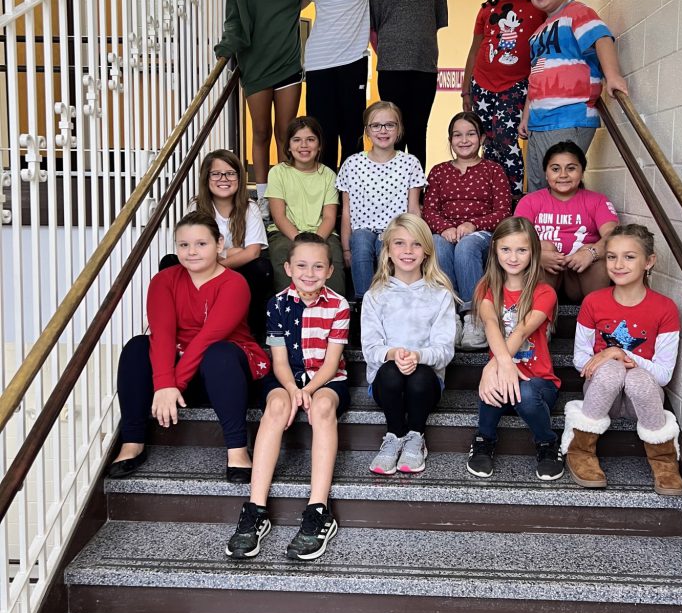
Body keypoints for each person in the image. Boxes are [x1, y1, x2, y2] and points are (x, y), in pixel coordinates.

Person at [108, 212, 270, 482]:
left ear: (219, 245)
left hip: (225, 371)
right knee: (137, 346)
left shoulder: (234, 283)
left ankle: (238, 450)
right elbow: (162, 335)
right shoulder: (164, 281)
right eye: (183, 245)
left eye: (201, 244)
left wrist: (173, 386)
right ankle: (132, 442)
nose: (191, 251)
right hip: (179, 365)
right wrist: (163, 385)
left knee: (219, 353)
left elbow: (207, 338)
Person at [226, 233, 350, 562]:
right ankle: (256, 509)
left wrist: (308, 391)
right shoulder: (277, 304)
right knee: (277, 404)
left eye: (318, 267)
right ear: (288, 268)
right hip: (287, 379)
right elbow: (279, 361)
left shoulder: (338, 306)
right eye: (302, 266)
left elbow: (331, 363)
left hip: (325, 380)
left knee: (322, 408)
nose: (309, 273)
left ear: (329, 270)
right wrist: (294, 391)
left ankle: (318, 509)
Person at [563, 224, 682, 496]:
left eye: (629, 257)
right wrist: (610, 359)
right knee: (611, 371)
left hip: (641, 400)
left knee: (639, 378)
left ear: (649, 261)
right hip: (601, 394)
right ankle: (581, 448)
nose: (618, 264)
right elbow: (581, 360)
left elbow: (664, 375)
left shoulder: (665, 308)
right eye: (611, 256)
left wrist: (620, 353)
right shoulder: (594, 302)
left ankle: (663, 459)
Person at [214, 0, 311, 217]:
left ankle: (285, 194)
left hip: (288, 66)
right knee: (260, 132)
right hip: (255, 67)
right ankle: (265, 198)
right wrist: (225, 48)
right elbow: (234, 19)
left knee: (286, 134)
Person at [466, 216, 562, 482]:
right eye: (506, 249)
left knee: (525, 391)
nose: (513, 257)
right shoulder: (486, 287)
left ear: (533, 252)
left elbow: (521, 331)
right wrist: (499, 367)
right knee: (493, 384)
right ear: (495, 250)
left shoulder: (545, 293)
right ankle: (484, 440)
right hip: (501, 375)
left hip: (538, 383)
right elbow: (491, 324)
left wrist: (495, 364)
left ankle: (547, 444)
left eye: (522, 250)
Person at [520, 0, 629, 192]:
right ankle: (540, 230)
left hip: (569, 116)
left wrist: (613, 76)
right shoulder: (538, 31)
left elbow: (601, 38)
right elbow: (536, 76)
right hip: (538, 123)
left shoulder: (578, 13)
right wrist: (526, 115)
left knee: (560, 185)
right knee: (537, 189)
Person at [361, 214, 455, 476]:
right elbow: (370, 348)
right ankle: (394, 435)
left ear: (426, 251)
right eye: (400, 244)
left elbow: (444, 350)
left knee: (419, 374)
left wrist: (416, 355)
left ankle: (415, 437)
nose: (408, 251)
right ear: (388, 250)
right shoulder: (375, 295)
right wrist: (393, 353)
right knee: (391, 371)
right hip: (385, 385)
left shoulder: (440, 295)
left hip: (424, 386)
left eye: (416, 244)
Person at [162, 150, 273, 341]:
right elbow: (192, 248)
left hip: (232, 274)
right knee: (169, 263)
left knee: (261, 268)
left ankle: (252, 331)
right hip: (203, 269)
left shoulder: (249, 207)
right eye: (216, 173)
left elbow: (253, 253)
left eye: (230, 173)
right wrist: (233, 252)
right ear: (207, 178)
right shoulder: (197, 207)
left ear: (239, 177)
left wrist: (219, 261)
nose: (224, 179)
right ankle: (181, 328)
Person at [422, 111, 510, 350]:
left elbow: (503, 211)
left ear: (481, 138)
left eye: (470, 134)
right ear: (450, 139)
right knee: (437, 244)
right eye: (457, 135)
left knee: (467, 245)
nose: (464, 140)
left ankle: (474, 316)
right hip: (446, 232)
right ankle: (449, 316)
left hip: (482, 234)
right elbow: (429, 211)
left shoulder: (493, 170)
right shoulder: (439, 171)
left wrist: (474, 225)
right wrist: (444, 227)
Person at [461, 0, 545, 194]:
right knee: (486, 142)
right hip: (482, 86)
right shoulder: (487, 10)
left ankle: (514, 198)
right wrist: (466, 90)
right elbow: (474, 51)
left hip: (515, 85)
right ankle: (492, 197)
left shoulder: (536, 6)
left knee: (506, 139)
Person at [369, 0, 448, 170]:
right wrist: (387, 53)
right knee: (392, 133)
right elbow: (373, 25)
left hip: (424, 67)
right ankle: (391, 191)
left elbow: (434, 23)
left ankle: (416, 198)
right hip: (391, 67)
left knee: (417, 132)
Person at [303, 0, 373, 171]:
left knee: (353, 134)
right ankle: (327, 203)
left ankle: (351, 203)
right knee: (324, 136)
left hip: (352, 63)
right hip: (318, 64)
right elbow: (287, 11)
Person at [337, 101, 426, 299]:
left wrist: (417, 244)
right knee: (360, 239)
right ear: (367, 131)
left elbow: (414, 211)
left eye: (389, 125)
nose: (382, 131)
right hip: (362, 232)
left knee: (387, 244)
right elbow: (347, 213)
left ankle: (391, 303)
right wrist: (345, 250)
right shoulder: (352, 164)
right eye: (375, 125)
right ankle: (364, 304)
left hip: (397, 232)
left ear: (399, 128)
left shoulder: (410, 163)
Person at [515, 140, 619, 302]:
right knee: (542, 246)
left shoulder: (597, 200)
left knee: (598, 255)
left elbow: (614, 235)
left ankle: (597, 320)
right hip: (543, 272)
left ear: (582, 171)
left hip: (580, 273)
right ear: (546, 173)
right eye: (555, 169)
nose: (563, 175)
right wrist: (538, 256)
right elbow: (515, 239)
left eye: (571, 168)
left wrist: (590, 254)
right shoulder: (530, 201)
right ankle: (540, 321)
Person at [265, 116, 345, 295]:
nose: (304, 145)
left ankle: (334, 313)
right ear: (288, 146)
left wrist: (315, 242)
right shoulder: (278, 173)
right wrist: (301, 241)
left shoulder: (329, 175)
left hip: (322, 233)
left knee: (333, 257)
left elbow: (330, 217)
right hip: (285, 233)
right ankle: (288, 311)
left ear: (319, 145)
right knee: (283, 253)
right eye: (297, 140)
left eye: (310, 140)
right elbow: (279, 217)